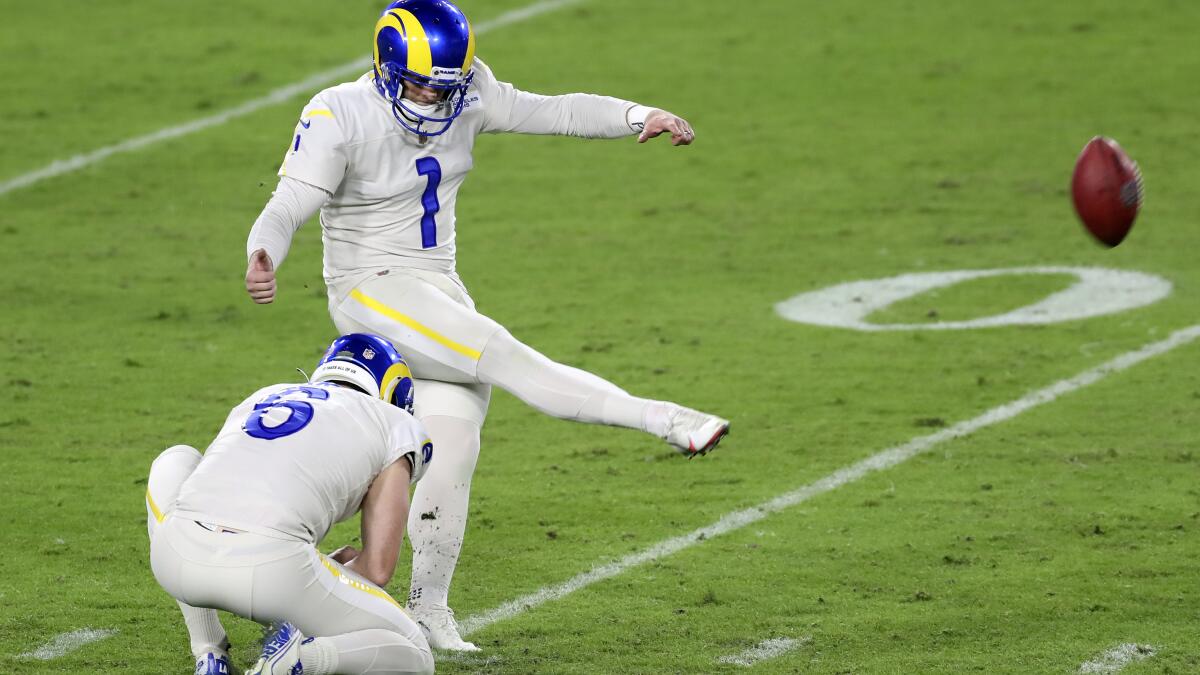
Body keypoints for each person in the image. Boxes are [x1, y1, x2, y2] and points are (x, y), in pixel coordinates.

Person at [243, 0, 730, 651]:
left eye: (446, 85)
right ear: (386, 71)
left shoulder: (470, 92)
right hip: (370, 288)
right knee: (503, 354)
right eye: (421, 84)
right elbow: (291, 201)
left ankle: (415, 607)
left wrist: (638, 115)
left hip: (439, 288)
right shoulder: (339, 112)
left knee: (452, 450)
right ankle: (662, 417)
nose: (435, 98)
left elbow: (554, 110)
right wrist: (264, 251)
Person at [145, 334, 436, 674]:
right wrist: (334, 571)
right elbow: (378, 569)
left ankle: (210, 652)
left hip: (176, 558)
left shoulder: (265, 395)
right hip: (272, 572)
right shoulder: (398, 425)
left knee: (176, 458)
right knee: (416, 653)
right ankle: (298, 661)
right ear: (393, 393)